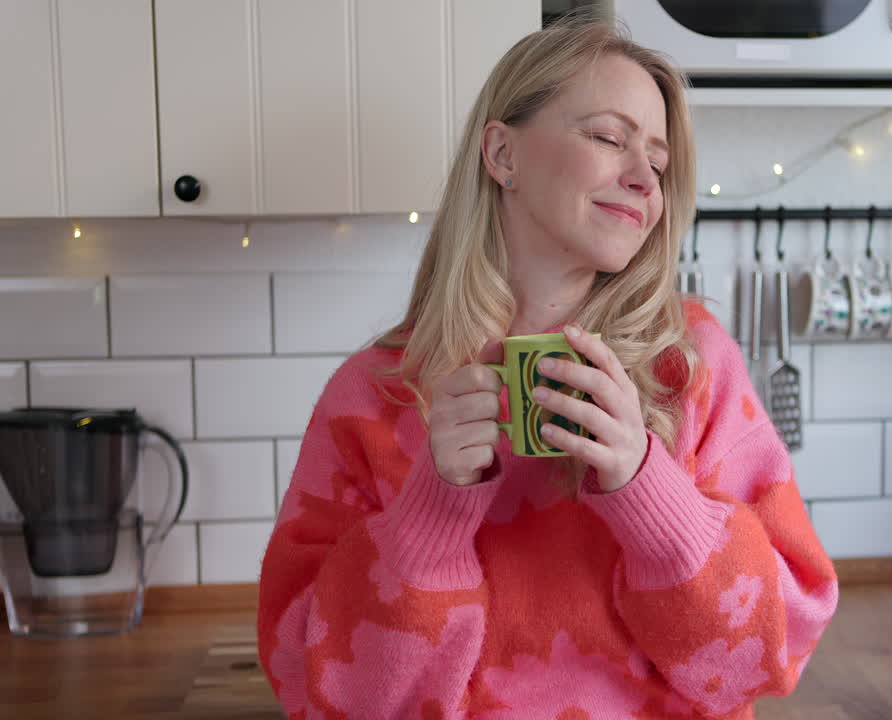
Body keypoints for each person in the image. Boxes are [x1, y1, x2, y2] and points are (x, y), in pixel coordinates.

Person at [257, 15, 838, 719]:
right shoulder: (373, 396)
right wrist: (430, 515)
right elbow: (318, 688)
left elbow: (769, 655)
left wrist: (647, 486)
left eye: (657, 162)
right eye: (607, 137)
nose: (641, 179)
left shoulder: (691, 365)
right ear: (502, 153)